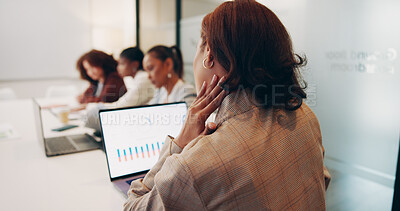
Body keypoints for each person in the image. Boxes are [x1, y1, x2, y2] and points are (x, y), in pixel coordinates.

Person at [124, 1, 331, 210]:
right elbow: (320, 183)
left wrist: (179, 144)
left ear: (209, 55)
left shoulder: (194, 166)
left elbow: (132, 206)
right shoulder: (306, 117)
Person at [83, 47, 155, 131]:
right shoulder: (131, 79)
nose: (118, 68)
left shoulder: (143, 79)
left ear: (135, 65)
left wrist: (92, 106)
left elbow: (121, 105)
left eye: (122, 64)